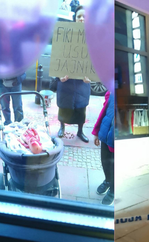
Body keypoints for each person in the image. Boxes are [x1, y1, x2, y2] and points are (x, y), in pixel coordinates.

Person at [51, 5, 92, 143]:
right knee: (64, 108)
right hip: (66, 82)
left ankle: (80, 131)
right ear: (75, 19)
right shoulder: (65, 35)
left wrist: (91, 76)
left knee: (81, 109)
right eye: (79, 16)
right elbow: (57, 57)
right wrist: (59, 75)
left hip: (82, 84)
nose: (81, 19)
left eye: (84, 17)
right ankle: (62, 127)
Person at [93, 91, 115, 205]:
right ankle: (108, 180)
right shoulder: (111, 93)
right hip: (106, 134)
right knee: (105, 162)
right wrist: (96, 132)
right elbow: (104, 112)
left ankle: (113, 190)